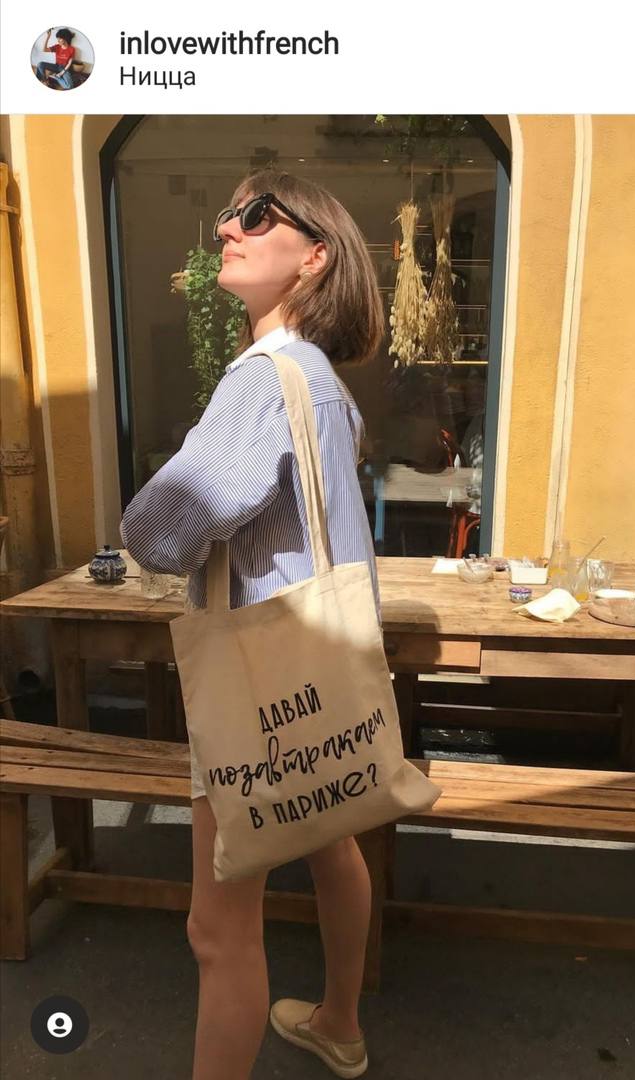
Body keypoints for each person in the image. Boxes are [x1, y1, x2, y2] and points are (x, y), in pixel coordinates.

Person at [120, 170, 385, 1079]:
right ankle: (339, 1022)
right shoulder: (323, 382)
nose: (229, 227)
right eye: (230, 213)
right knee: (329, 834)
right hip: (323, 676)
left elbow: (158, 532)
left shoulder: (262, 380)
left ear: (314, 258)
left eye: (258, 215)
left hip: (257, 689)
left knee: (218, 930)